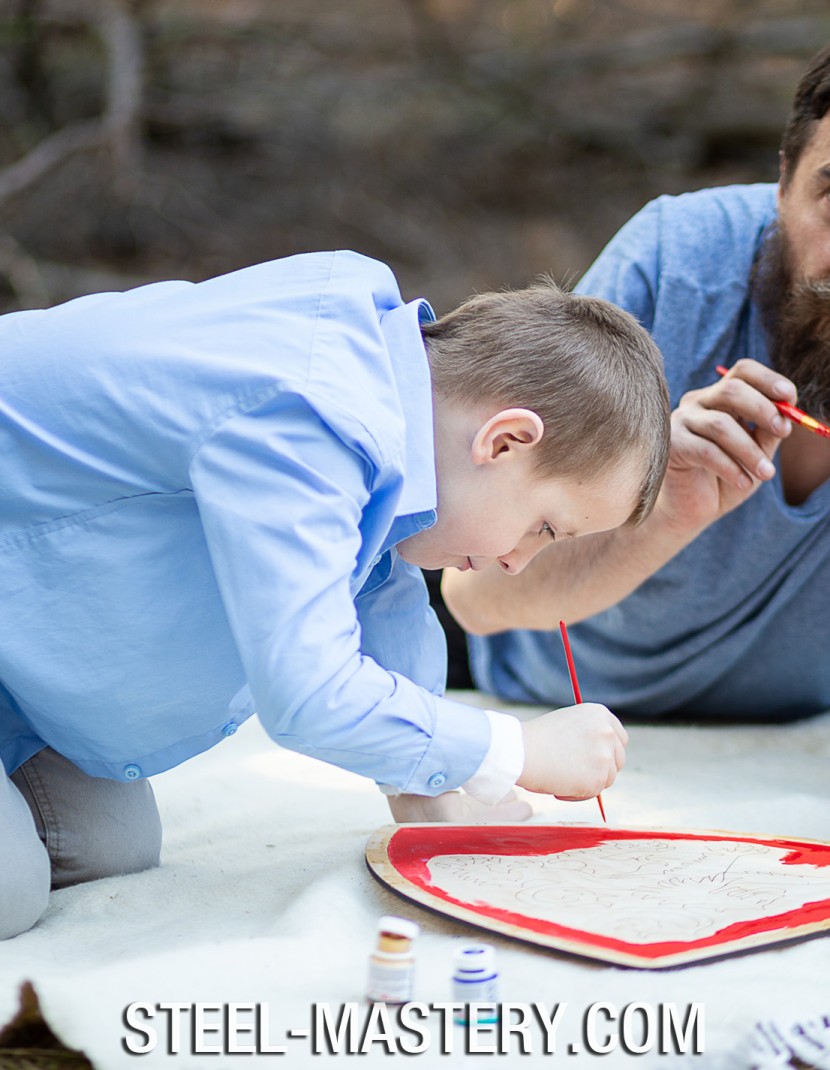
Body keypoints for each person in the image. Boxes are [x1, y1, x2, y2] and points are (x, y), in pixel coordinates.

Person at [0, 250, 669, 938]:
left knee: (110, 846)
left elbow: (382, 588)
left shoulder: (388, 389)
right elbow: (309, 694)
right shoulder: (309, 410)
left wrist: (429, 784)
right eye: (544, 528)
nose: (519, 563)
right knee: (11, 892)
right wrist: (516, 749)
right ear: (504, 442)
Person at [444, 45, 830, 724]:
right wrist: (662, 514)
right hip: (558, 716)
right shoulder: (677, 263)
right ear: (783, 181)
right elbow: (472, 596)